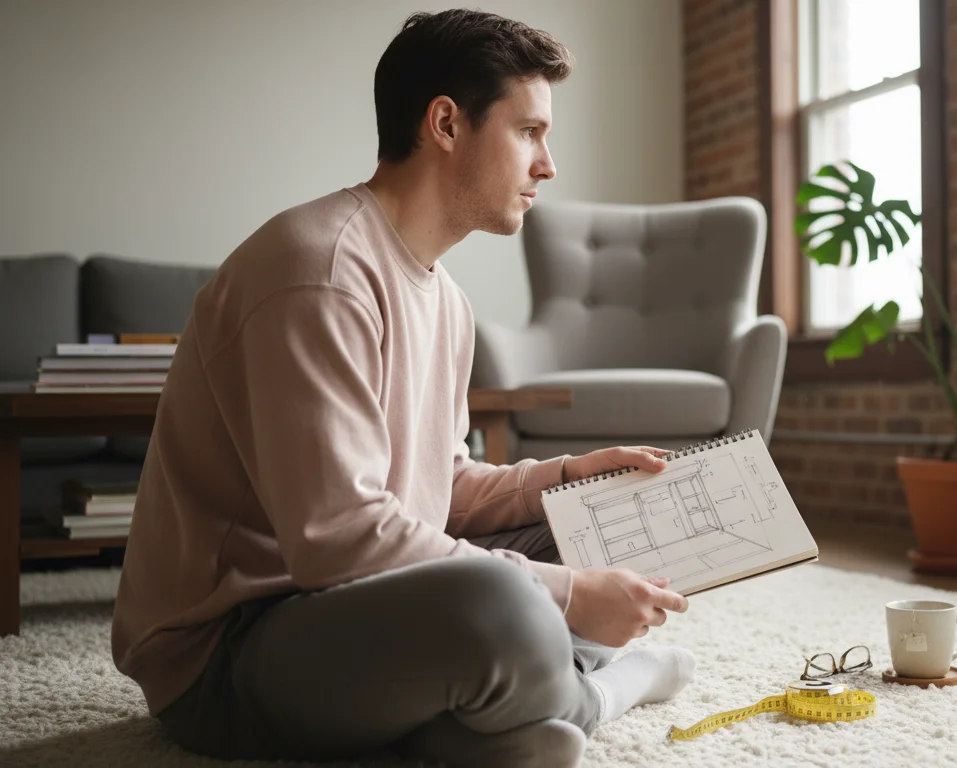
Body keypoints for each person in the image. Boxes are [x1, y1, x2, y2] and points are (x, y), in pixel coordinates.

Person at [110, 9, 695, 767]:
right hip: (232, 648)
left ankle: (472, 728)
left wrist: (565, 478)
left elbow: (436, 487)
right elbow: (338, 539)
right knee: (508, 601)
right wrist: (569, 596)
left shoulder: (445, 297)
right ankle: (600, 693)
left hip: (351, 613)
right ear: (446, 124)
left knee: (586, 524)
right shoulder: (317, 271)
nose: (548, 164)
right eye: (529, 132)